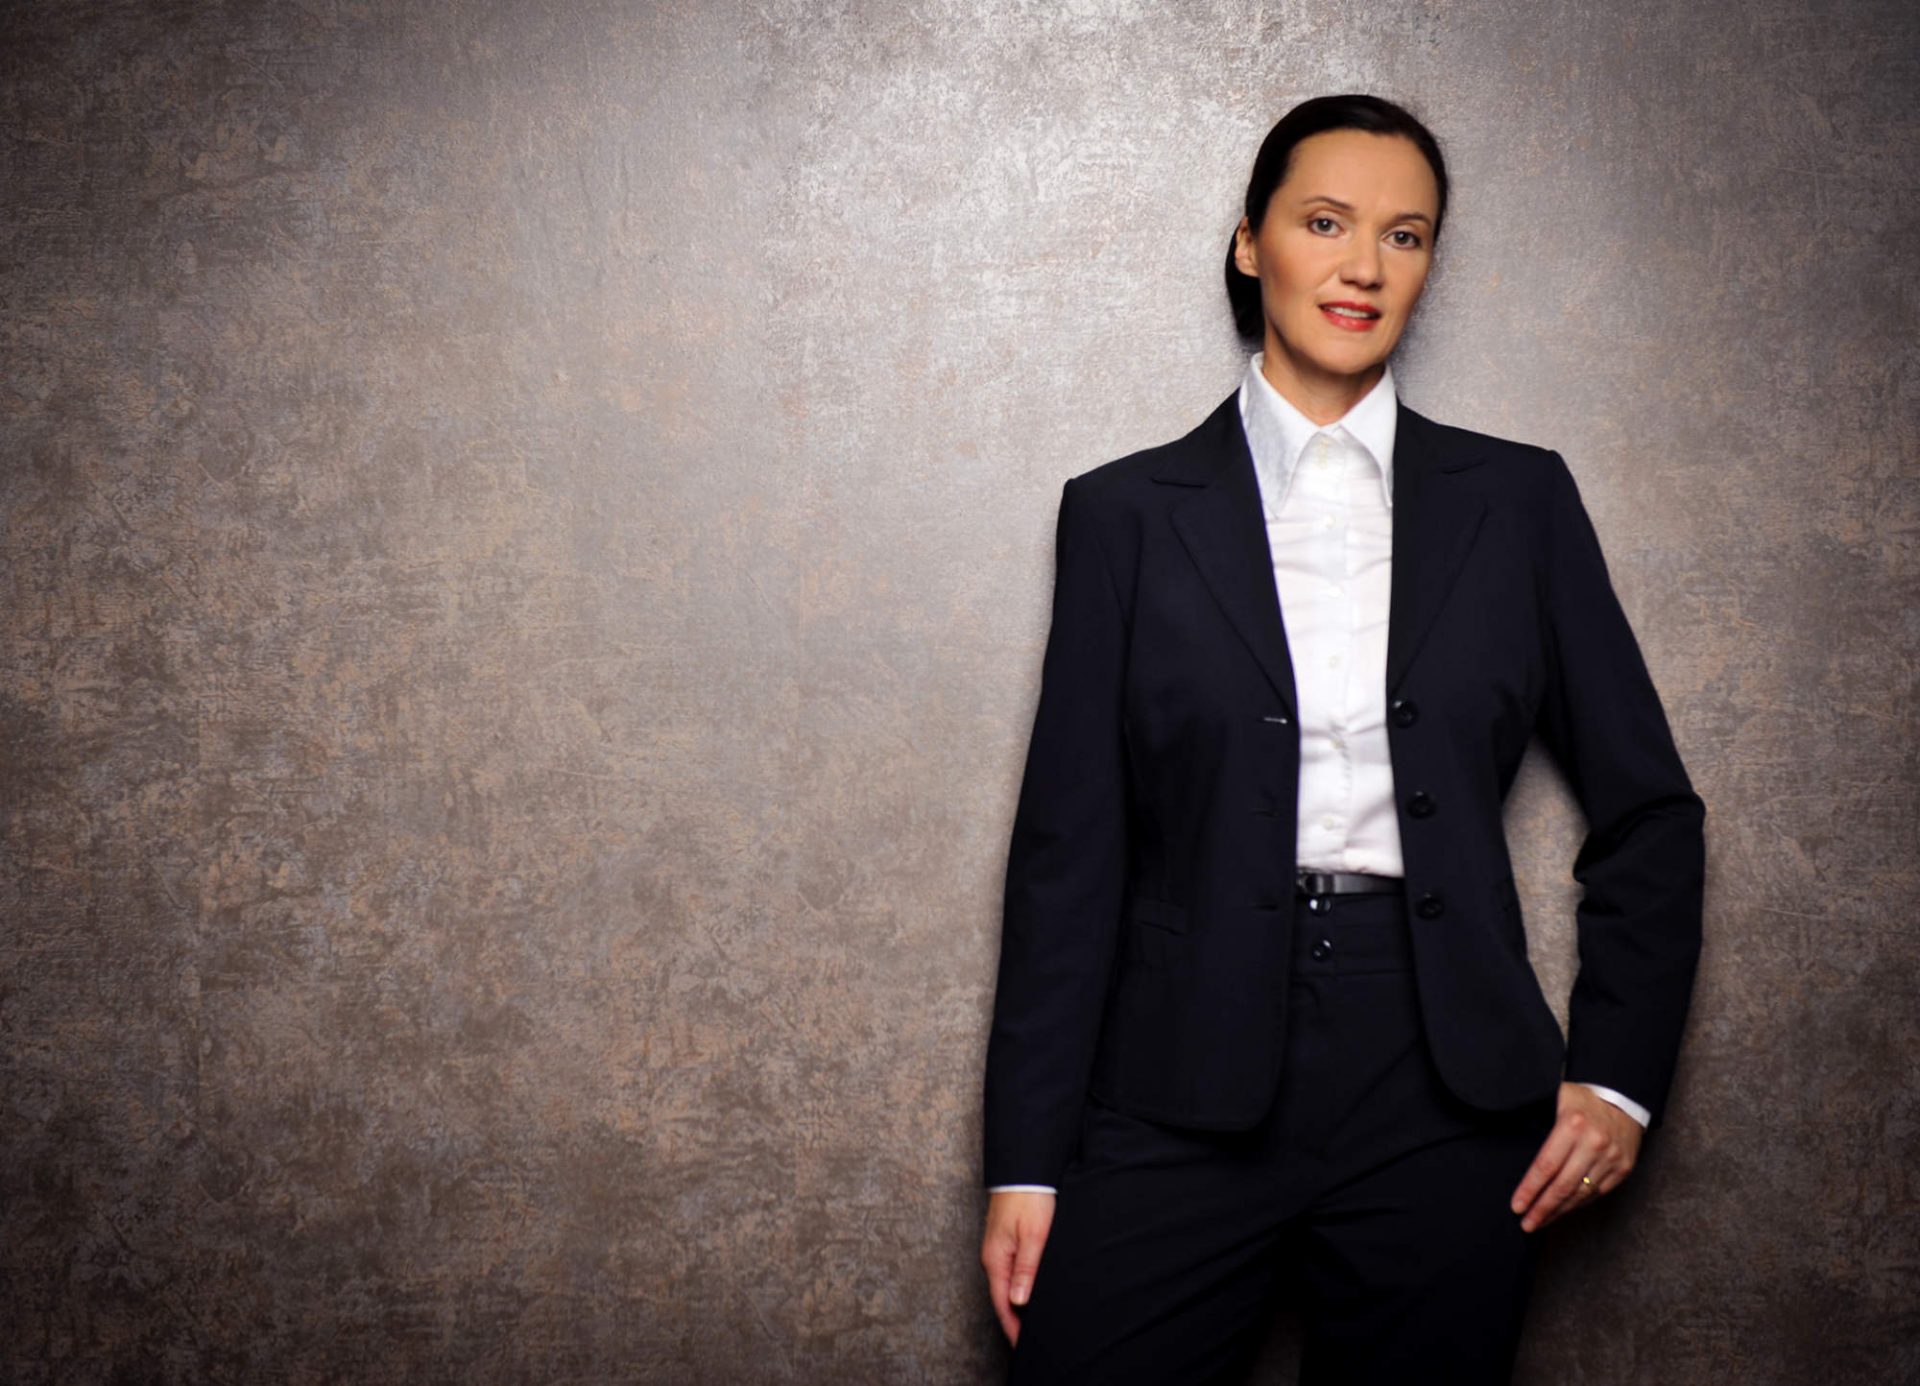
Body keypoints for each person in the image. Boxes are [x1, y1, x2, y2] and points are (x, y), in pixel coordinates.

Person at [977, 93, 1706, 1384]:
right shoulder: (1123, 514)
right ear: (1251, 242)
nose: (1364, 265)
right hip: (1178, 1069)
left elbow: (1650, 812)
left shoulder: (1518, 501)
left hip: (1446, 1085)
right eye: (1326, 222)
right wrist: (1026, 1159)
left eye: (1404, 235)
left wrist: (1619, 1077)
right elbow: (1067, 858)